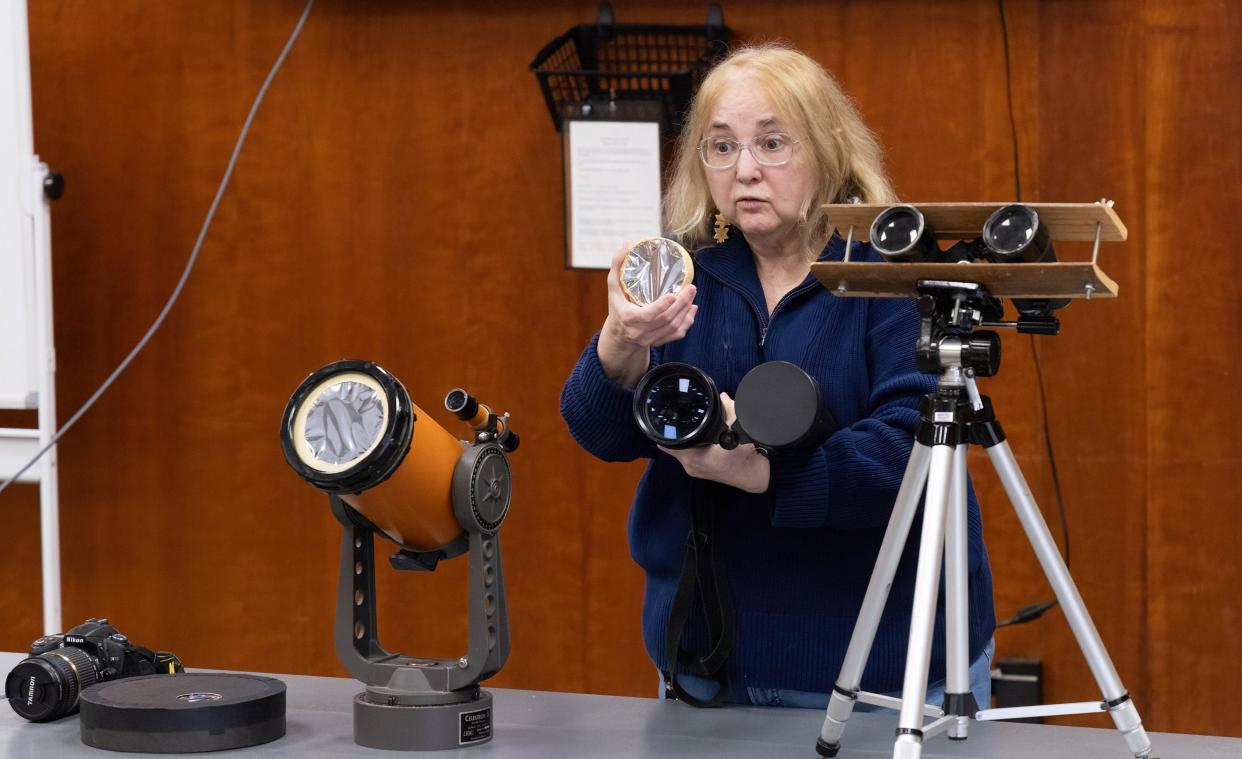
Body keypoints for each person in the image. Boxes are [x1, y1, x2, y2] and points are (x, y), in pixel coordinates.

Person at [560, 42, 995, 709]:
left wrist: (762, 472)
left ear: (827, 149)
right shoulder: (683, 272)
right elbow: (600, 432)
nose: (746, 171)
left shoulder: (890, 276)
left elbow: (915, 449)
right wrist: (621, 339)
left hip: (883, 667)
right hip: (709, 660)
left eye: (772, 143)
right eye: (722, 147)